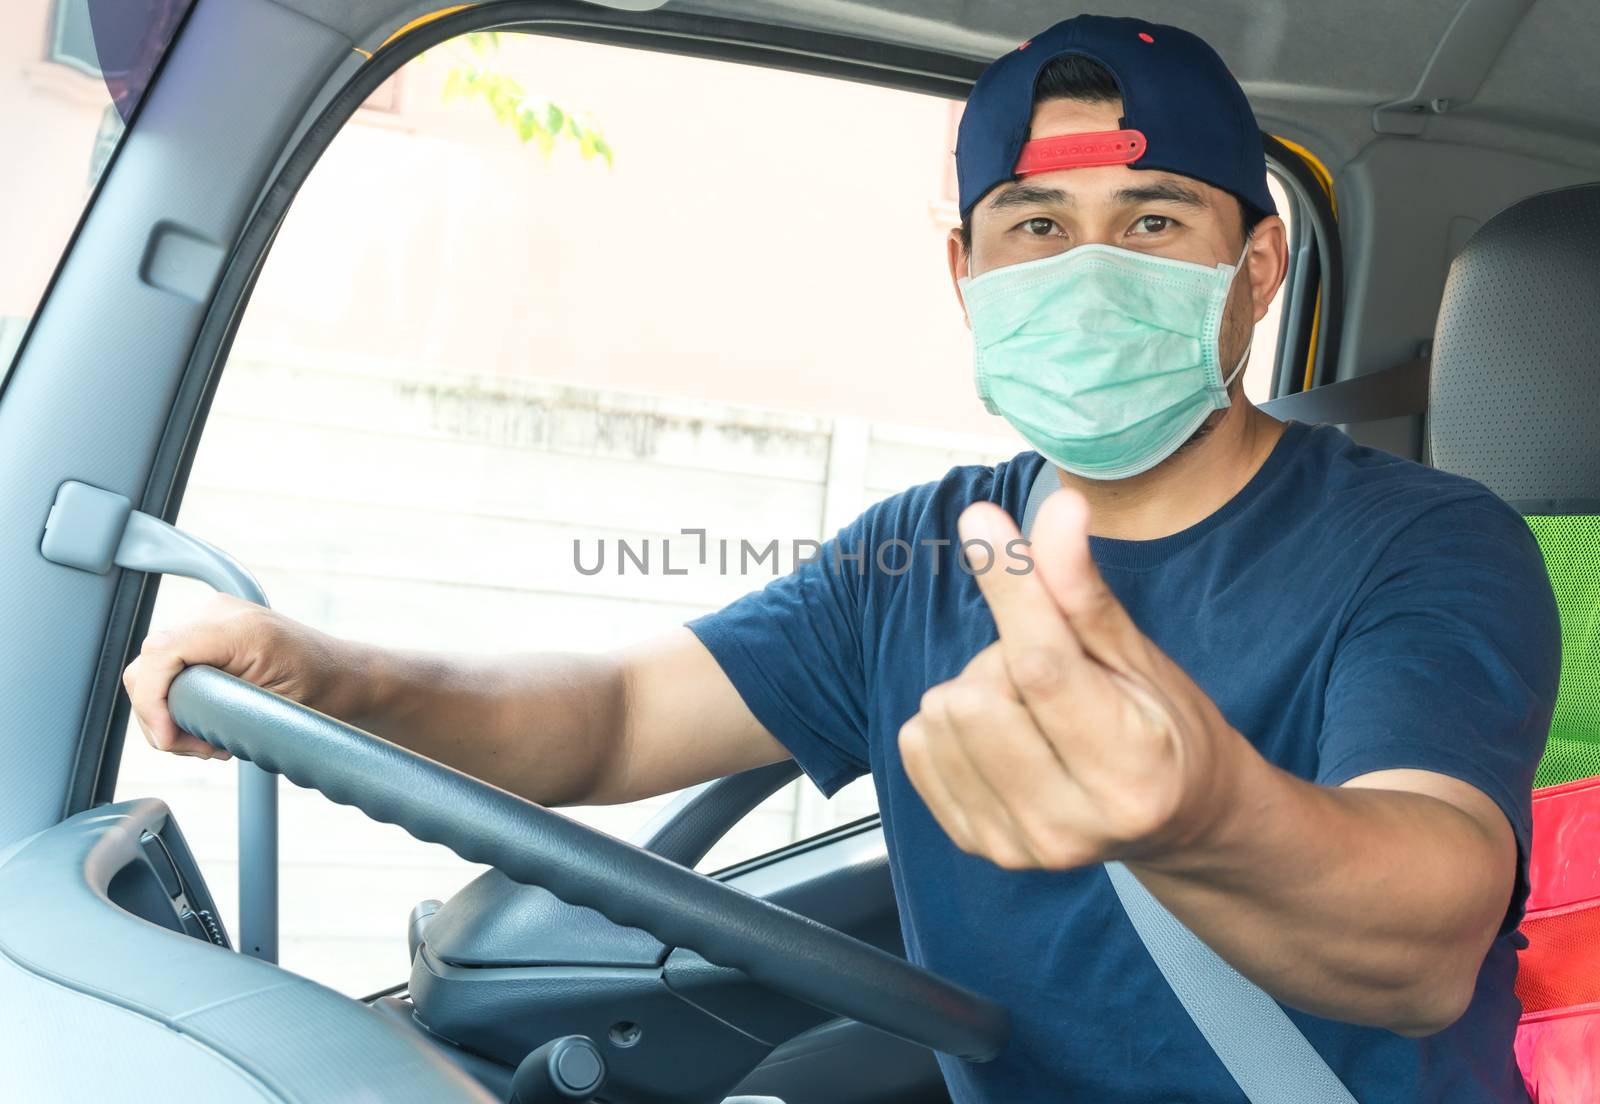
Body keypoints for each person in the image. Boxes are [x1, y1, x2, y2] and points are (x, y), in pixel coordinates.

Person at [124, 14, 1559, 1102]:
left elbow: (1427, 931)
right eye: (1039, 228)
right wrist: (338, 674)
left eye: (1155, 222)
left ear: (1253, 272)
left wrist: (1199, 815)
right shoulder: (923, 554)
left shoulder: (1427, 544)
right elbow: (615, 715)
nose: (1089, 267)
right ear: (969, 275)